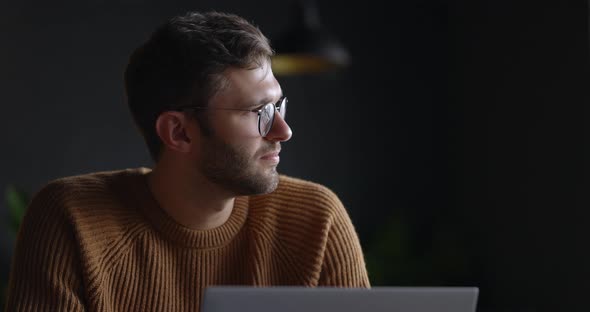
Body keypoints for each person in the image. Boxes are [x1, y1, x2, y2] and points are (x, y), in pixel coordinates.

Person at [6, 11, 370, 311]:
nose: (282, 130)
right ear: (179, 133)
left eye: (278, 105)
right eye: (259, 111)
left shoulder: (316, 220)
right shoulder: (71, 221)